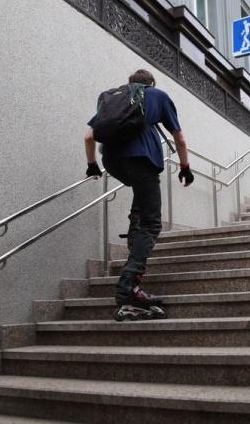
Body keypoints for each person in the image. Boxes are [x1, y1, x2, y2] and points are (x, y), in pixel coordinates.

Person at [84, 69, 194, 320]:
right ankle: (128, 287)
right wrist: (185, 167)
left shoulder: (116, 98)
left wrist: (92, 164)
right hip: (142, 159)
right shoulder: (157, 95)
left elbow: (89, 135)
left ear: (130, 83)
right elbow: (179, 138)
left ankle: (135, 223)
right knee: (152, 223)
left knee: (141, 205)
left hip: (113, 161)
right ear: (151, 83)